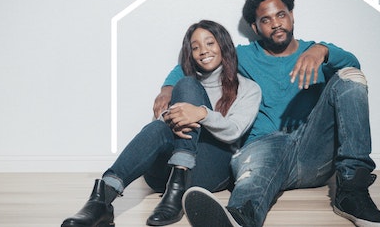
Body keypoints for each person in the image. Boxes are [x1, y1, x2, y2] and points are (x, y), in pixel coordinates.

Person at [155, 0, 380, 227]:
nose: (276, 23)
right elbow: (194, 62)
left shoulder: (316, 53)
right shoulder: (243, 55)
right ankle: (239, 218)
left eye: (281, 15)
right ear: (256, 27)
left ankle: (353, 190)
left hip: (312, 154)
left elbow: (354, 67)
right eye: (266, 20)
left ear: (292, 16)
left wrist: (323, 50)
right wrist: (168, 88)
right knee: (258, 171)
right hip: (262, 150)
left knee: (350, 76)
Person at [61, 20, 261, 227]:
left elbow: (234, 131)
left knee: (187, 85)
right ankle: (101, 200)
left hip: (211, 170)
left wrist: (200, 113)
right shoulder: (185, 86)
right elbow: (159, 132)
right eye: (195, 47)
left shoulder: (248, 88)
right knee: (162, 120)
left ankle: (178, 185)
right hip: (162, 177)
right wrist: (170, 117)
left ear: (223, 45)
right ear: (189, 54)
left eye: (210, 43)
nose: (203, 51)